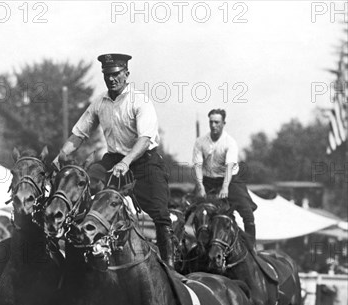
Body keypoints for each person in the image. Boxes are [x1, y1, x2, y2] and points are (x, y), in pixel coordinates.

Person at [53, 53, 174, 267]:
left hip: (144, 161)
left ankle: (170, 268)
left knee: (162, 215)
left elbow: (145, 139)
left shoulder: (140, 101)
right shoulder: (100, 102)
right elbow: (79, 134)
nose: (112, 79)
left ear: (126, 74)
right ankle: (78, 252)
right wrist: (59, 157)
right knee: (83, 183)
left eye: (116, 74)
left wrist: (126, 162)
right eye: (107, 74)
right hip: (113, 160)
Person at [192, 109, 257, 245]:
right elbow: (198, 165)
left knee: (247, 211)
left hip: (230, 180)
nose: (213, 125)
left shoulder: (229, 142)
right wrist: (200, 186)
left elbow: (229, 166)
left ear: (223, 123)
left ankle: (252, 246)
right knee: (188, 206)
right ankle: (183, 246)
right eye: (211, 122)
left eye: (217, 122)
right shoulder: (200, 142)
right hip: (208, 180)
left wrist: (225, 187)